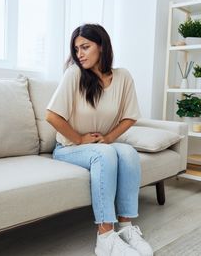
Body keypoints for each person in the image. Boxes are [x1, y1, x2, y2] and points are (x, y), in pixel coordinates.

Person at [46, 24, 153, 256]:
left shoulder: (123, 76)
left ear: (102, 47)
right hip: (68, 148)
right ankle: (105, 237)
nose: (79, 54)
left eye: (85, 47)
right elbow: (51, 115)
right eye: (76, 49)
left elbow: (129, 116)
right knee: (106, 154)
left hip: (99, 146)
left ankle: (126, 228)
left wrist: (109, 138)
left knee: (127, 152)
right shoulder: (74, 74)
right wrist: (80, 139)